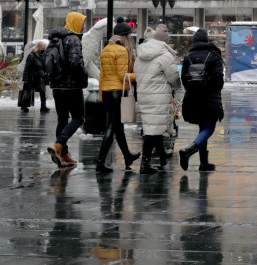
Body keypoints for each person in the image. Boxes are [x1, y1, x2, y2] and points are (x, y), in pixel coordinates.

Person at [133, 24, 181, 175]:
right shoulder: (165, 56)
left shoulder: (141, 54)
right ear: (165, 41)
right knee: (152, 130)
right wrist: (177, 85)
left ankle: (162, 159)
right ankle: (144, 163)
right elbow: (173, 77)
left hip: (144, 94)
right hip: (158, 96)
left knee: (154, 127)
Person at [95, 23, 140, 173]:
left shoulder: (106, 50)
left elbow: (102, 75)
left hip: (108, 92)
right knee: (111, 127)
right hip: (117, 92)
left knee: (118, 127)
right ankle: (100, 162)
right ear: (126, 36)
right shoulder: (122, 51)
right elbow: (123, 76)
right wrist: (139, 75)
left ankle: (127, 156)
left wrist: (102, 93)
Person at [46, 12, 89, 168]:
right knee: (79, 118)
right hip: (72, 86)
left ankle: (64, 155)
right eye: (82, 23)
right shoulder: (73, 39)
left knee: (62, 120)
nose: (84, 26)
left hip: (56, 86)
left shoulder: (54, 39)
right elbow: (76, 63)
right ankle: (59, 145)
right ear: (76, 23)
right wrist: (85, 74)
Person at [179, 28, 225, 172]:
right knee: (209, 127)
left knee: (202, 127)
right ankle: (188, 151)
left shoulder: (188, 57)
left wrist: (191, 89)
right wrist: (215, 88)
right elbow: (219, 76)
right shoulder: (214, 55)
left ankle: (203, 163)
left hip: (192, 97)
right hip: (209, 96)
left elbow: (183, 78)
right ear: (206, 40)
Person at [21, 40, 49, 113]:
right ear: (38, 47)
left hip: (41, 77)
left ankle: (43, 106)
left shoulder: (43, 55)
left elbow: (44, 66)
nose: (44, 50)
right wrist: (25, 78)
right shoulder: (31, 55)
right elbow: (27, 67)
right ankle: (24, 106)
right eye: (43, 48)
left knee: (43, 92)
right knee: (28, 91)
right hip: (32, 77)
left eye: (44, 48)